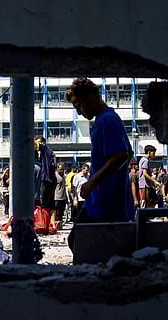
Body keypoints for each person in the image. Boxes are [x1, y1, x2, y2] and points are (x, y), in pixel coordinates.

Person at [65, 78, 134, 257]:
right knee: (81, 241)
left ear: (89, 98)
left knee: (82, 244)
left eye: (78, 106)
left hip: (106, 203)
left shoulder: (107, 120)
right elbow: (129, 152)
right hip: (100, 200)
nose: (79, 112)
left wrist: (93, 182)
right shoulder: (105, 119)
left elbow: (121, 155)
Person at [34, 136, 57, 230]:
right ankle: (52, 225)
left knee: (43, 204)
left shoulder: (45, 149)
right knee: (51, 204)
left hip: (46, 180)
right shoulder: (50, 152)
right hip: (52, 180)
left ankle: (43, 224)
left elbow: (36, 144)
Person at [54, 163, 67, 229]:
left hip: (63, 197)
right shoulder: (55, 176)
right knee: (56, 212)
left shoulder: (64, 176)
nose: (62, 171)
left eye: (63, 169)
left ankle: (59, 226)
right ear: (57, 169)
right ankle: (55, 226)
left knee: (61, 212)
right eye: (61, 169)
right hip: (57, 197)